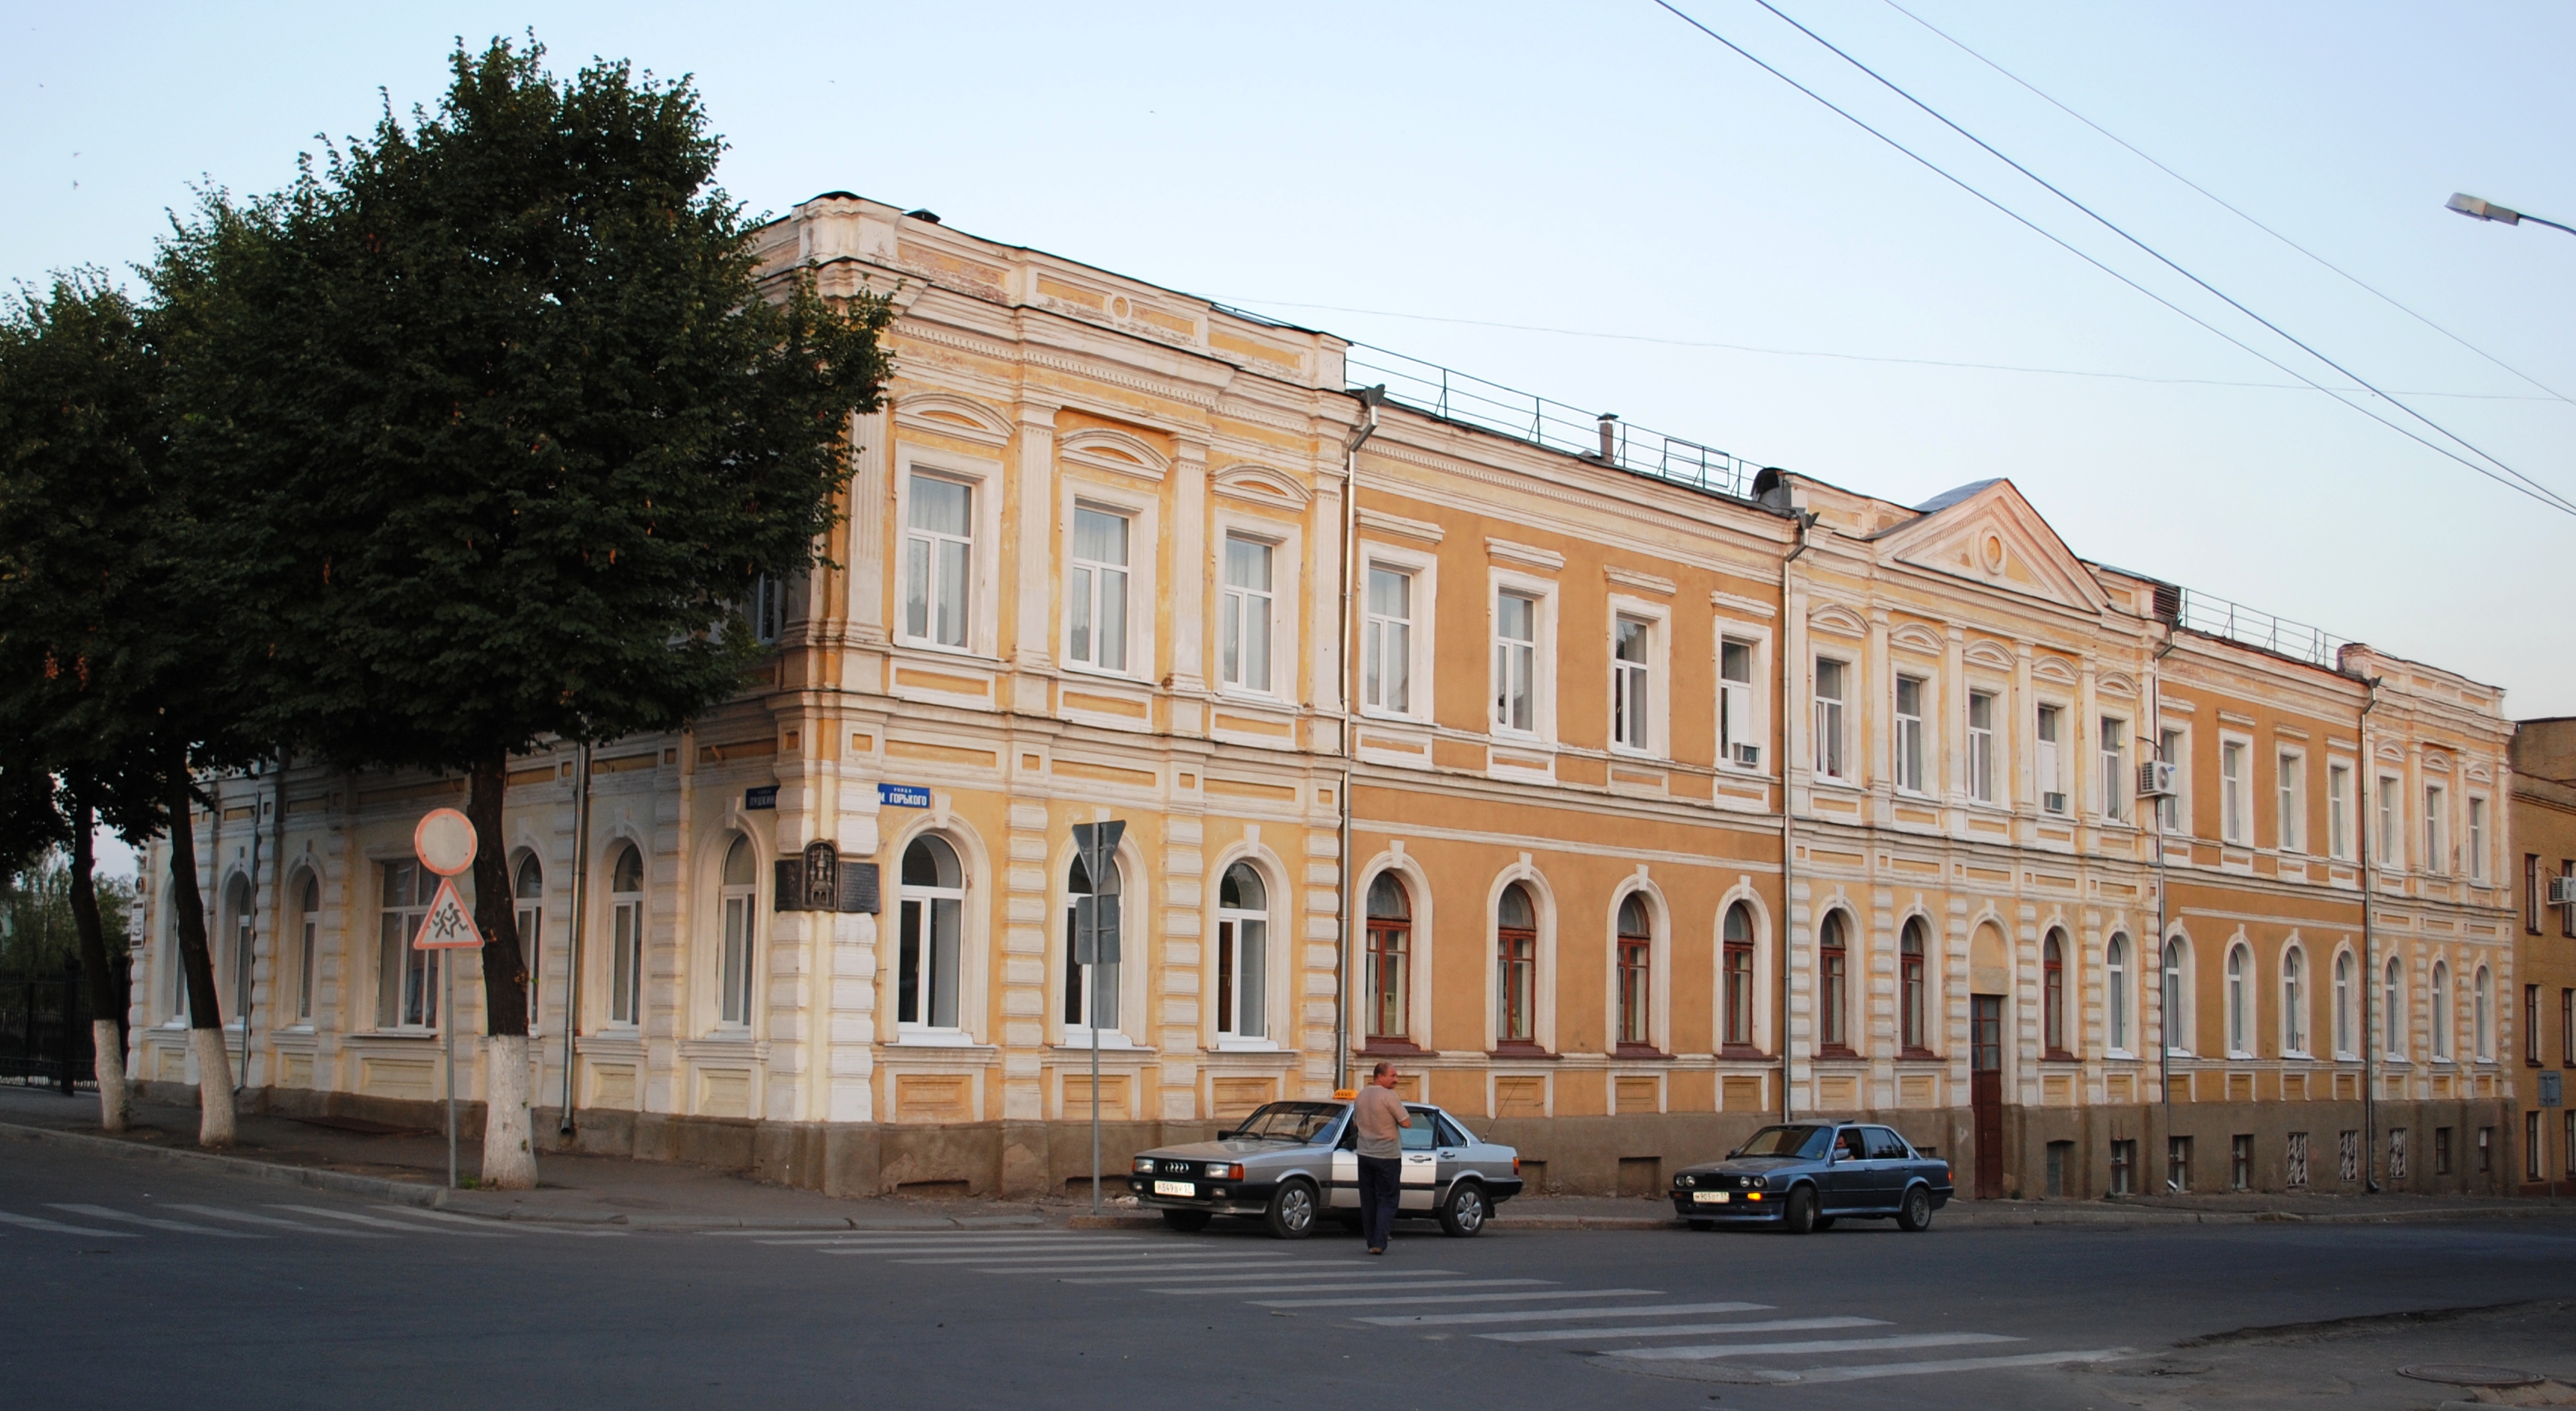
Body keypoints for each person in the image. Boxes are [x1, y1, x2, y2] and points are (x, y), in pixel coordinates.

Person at [1351, 1060, 1410, 1254]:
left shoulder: (1361, 1095)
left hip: (1365, 1153)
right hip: (1387, 1155)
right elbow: (1406, 1123)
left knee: (1368, 1200)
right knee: (1388, 1199)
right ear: (1380, 1076)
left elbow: (1356, 1124)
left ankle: (1371, 1241)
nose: (1396, 1079)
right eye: (1392, 1076)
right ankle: (1379, 1241)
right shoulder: (1389, 1096)